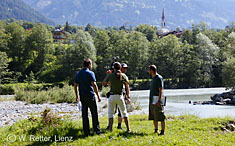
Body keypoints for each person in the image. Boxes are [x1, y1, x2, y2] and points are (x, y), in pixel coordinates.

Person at [74, 58, 102, 137]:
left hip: (82, 96)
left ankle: (86, 132)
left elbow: (75, 86)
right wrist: (98, 95)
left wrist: (77, 96)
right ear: (89, 64)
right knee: (94, 113)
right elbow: (94, 85)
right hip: (90, 95)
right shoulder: (90, 73)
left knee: (85, 114)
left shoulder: (78, 74)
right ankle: (97, 130)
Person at [102, 62, 131, 132]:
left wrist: (107, 75)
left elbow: (103, 83)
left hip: (111, 96)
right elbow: (127, 83)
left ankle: (110, 129)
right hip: (120, 96)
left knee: (110, 114)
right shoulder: (123, 75)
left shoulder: (111, 76)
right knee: (124, 112)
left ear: (113, 68)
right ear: (120, 68)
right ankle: (128, 129)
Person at [148, 65, 166, 135]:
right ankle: (156, 130)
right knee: (153, 115)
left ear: (152, 70)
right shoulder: (153, 78)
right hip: (152, 100)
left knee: (161, 116)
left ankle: (162, 131)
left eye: (149, 70)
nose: (148, 71)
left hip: (157, 100)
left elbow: (160, 90)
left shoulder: (158, 78)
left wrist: (159, 100)